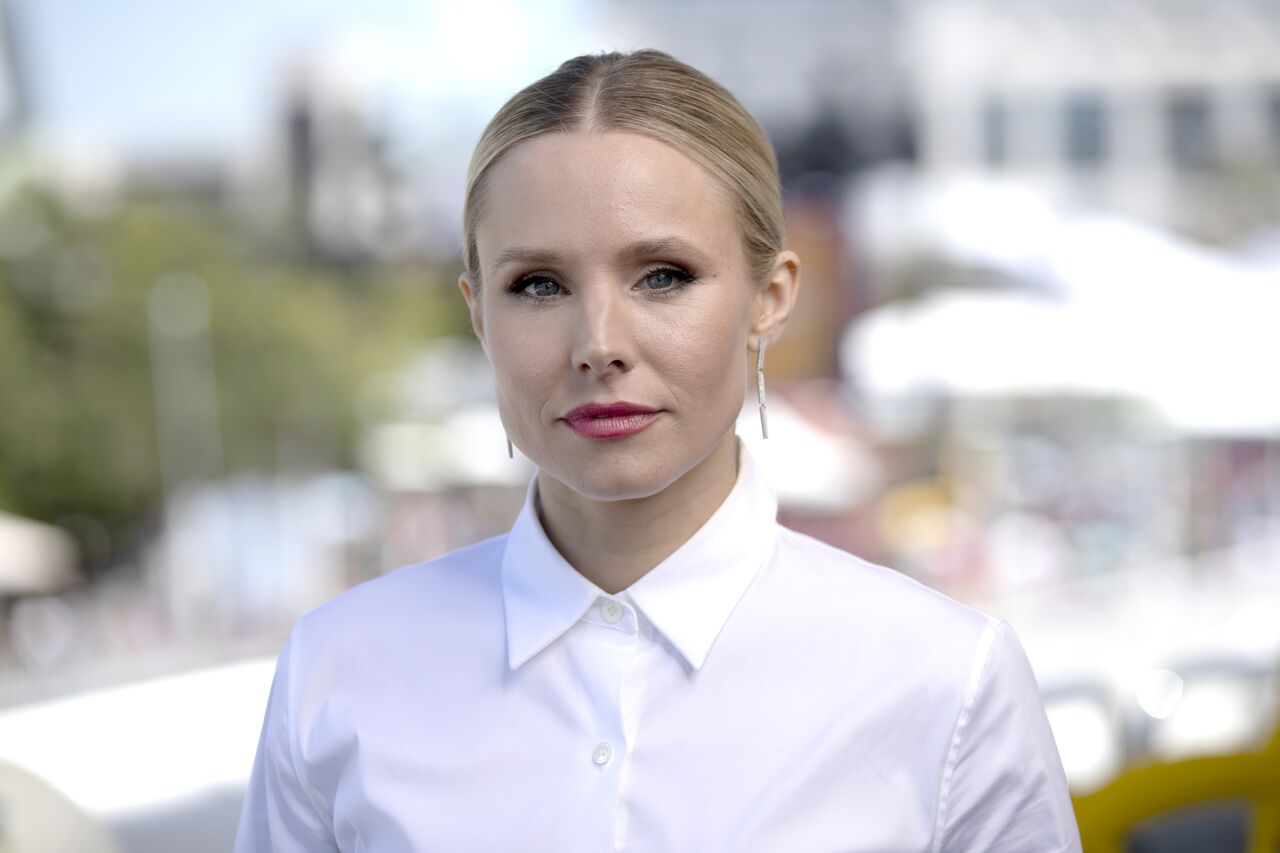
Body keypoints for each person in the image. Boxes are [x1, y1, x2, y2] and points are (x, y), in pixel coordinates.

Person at [235, 50, 1081, 852]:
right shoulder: (337, 672)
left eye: (663, 275)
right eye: (538, 284)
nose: (599, 343)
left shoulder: (945, 678)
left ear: (770, 298)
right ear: (479, 313)